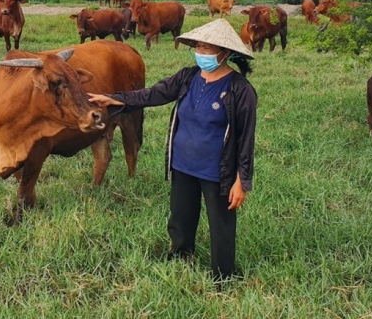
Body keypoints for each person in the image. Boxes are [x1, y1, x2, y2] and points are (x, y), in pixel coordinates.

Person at [88, 18, 257, 283]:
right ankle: (180, 254)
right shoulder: (187, 77)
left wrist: (241, 181)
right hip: (183, 164)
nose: (200, 53)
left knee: (221, 226)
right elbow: (153, 95)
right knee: (180, 217)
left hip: (217, 171)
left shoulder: (240, 90)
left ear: (224, 53)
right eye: (198, 47)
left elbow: (246, 138)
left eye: (207, 49)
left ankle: (223, 275)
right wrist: (116, 99)